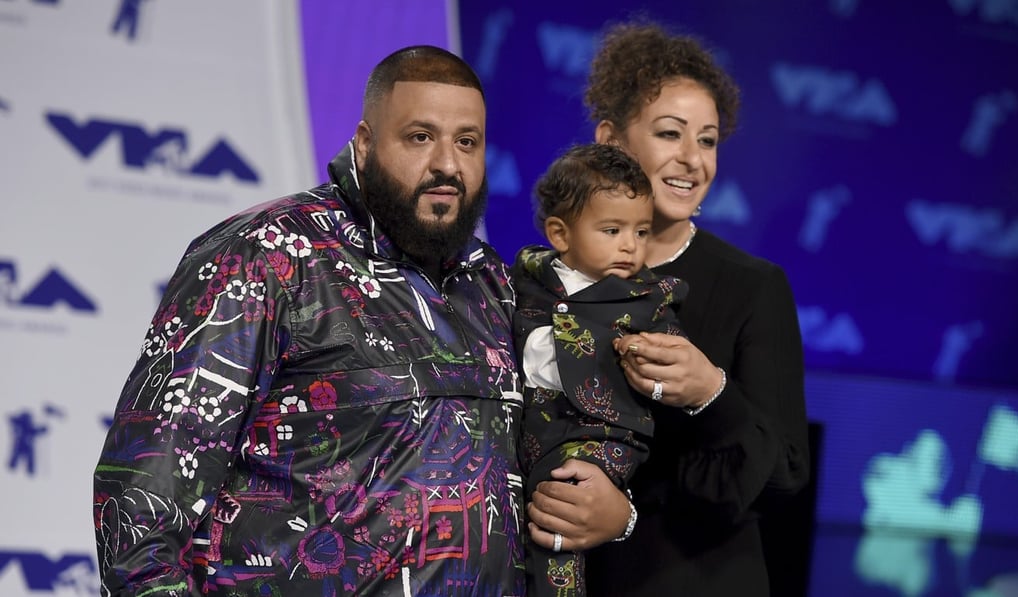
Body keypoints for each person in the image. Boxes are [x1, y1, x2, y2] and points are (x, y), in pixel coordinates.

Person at [92, 45, 625, 597]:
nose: (447, 163)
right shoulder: (269, 254)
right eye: (420, 137)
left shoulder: (491, 281)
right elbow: (140, 501)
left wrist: (617, 508)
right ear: (365, 144)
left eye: (467, 142)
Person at [527, 21, 811, 597]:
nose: (691, 160)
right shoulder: (540, 277)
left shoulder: (752, 287)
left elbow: (785, 477)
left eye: (706, 140)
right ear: (610, 140)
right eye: (670, 134)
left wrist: (712, 391)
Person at [513, 143, 684, 596]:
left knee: (558, 513)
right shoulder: (523, 282)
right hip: (525, 431)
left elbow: (675, 356)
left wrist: (649, 351)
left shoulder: (648, 299)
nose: (631, 246)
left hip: (600, 436)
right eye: (612, 230)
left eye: (642, 232)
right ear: (560, 233)